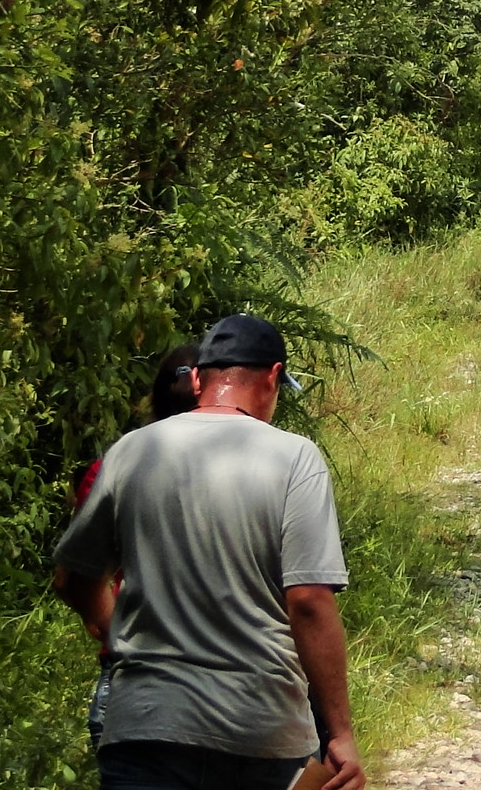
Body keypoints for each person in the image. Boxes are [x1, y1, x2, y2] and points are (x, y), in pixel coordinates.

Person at [52, 314, 364, 790]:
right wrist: (339, 733)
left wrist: (120, 639)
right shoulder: (296, 458)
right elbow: (307, 601)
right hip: (259, 730)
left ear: (199, 378)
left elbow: (74, 579)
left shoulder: (131, 451)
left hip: (146, 725)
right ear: (274, 377)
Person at [76, 345, 201, 751]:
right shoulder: (251, 467)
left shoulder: (116, 463)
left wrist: (120, 639)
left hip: (133, 683)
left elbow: (75, 576)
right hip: (232, 684)